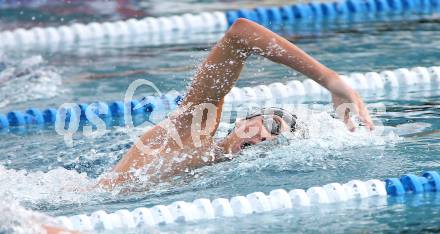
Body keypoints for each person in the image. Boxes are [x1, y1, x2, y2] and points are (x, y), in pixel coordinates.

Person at [99, 18, 373, 188]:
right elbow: (240, 34)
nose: (266, 136)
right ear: (242, 120)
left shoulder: (217, 175)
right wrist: (330, 80)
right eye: (270, 124)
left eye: (278, 140)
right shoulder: (193, 132)